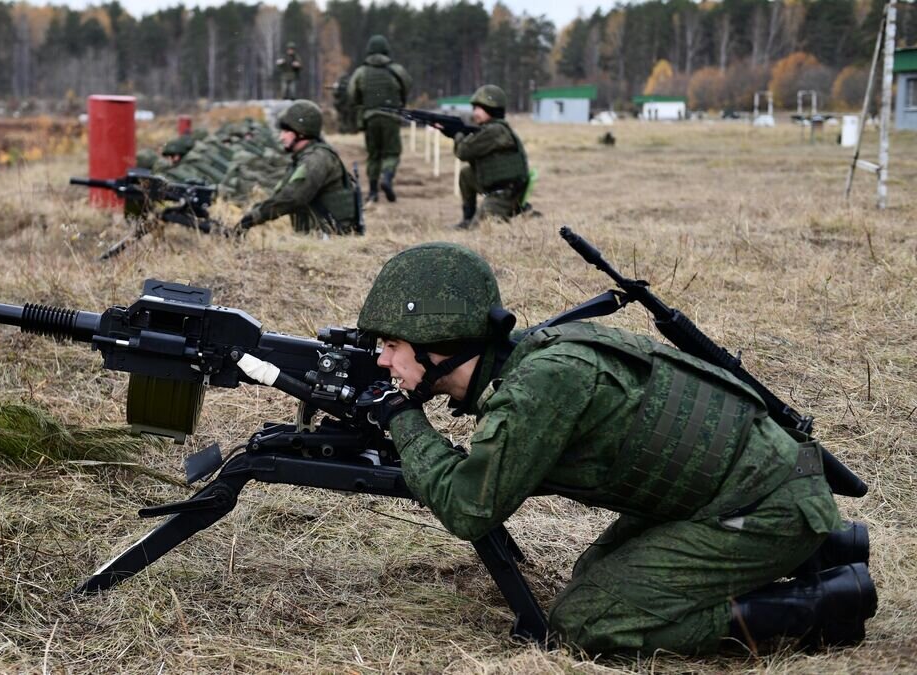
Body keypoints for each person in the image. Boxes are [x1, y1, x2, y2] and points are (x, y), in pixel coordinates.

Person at [354, 241, 876, 654]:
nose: (383, 361)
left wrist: (403, 419)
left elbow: (469, 507)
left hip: (760, 505)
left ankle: (826, 603)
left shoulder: (539, 388)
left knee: (587, 620)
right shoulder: (545, 357)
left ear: (437, 342)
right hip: (755, 487)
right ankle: (827, 545)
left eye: (392, 346)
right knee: (592, 578)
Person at [237, 100, 359, 236]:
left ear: (301, 133)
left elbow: (292, 198)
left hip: (331, 238)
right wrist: (252, 214)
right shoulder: (305, 156)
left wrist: (253, 218)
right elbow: (281, 195)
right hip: (320, 235)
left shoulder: (316, 159)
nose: (281, 137)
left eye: (286, 131)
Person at [443, 85, 530, 229]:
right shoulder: (493, 128)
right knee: (466, 174)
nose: (474, 112)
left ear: (492, 110)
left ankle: (516, 210)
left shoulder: (494, 131)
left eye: (479, 108)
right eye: (474, 108)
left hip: (504, 194)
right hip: (497, 187)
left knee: (479, 228)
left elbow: (463, 152)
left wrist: (457, 134)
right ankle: (467, 218)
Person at [348, 35, 412, 203]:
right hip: (391, 117)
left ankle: (373, 192)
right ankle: (387, 178)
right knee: (392, 153)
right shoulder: (396, 70)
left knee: (373, 155)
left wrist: (363, 105)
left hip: (370, 118)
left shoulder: (361, 72)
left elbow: (352, 95)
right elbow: (407, 86)